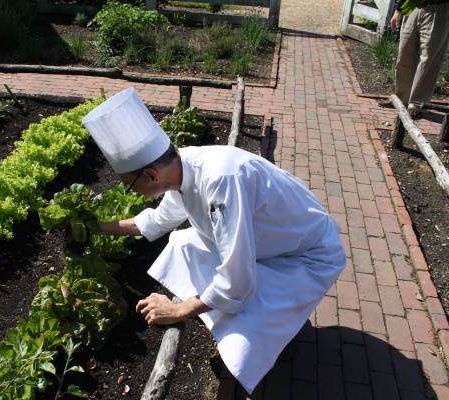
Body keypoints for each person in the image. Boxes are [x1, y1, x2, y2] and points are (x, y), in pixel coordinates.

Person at [82, 87, 346, 394]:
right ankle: (263, 316)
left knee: (242, 327)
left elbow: (236, 284)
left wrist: (176, 311)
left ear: (152, 176)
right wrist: (96, 227)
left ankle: (267, 336)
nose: (133, 193)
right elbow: (156, 221)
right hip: (272, 244)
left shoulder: (221, 182)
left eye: (131, 187)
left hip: (304, 256)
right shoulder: (183, 168)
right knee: (183, 245)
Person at [378, 0, 449, 118]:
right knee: (404, 56)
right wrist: (398, 10)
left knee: (428, 61)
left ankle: (417, 104)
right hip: (413, 8)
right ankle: (400, 98)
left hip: (438, 9)